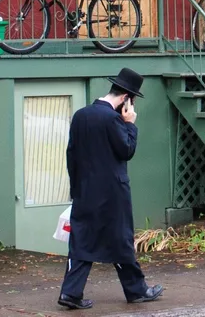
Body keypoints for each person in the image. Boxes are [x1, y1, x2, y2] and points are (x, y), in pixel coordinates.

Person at [58, 67, 164, 310]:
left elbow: (71, 155)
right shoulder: (113, 119)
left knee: (82, 242)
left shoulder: (81, 115)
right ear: (126, 99)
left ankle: (70, 292)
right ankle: (137, 291)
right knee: (120, 240)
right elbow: (126, 150)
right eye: (133, 101)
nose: (132, 107)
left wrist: (76, 189)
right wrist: (130, 124)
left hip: (85, 191)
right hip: (113, 194)